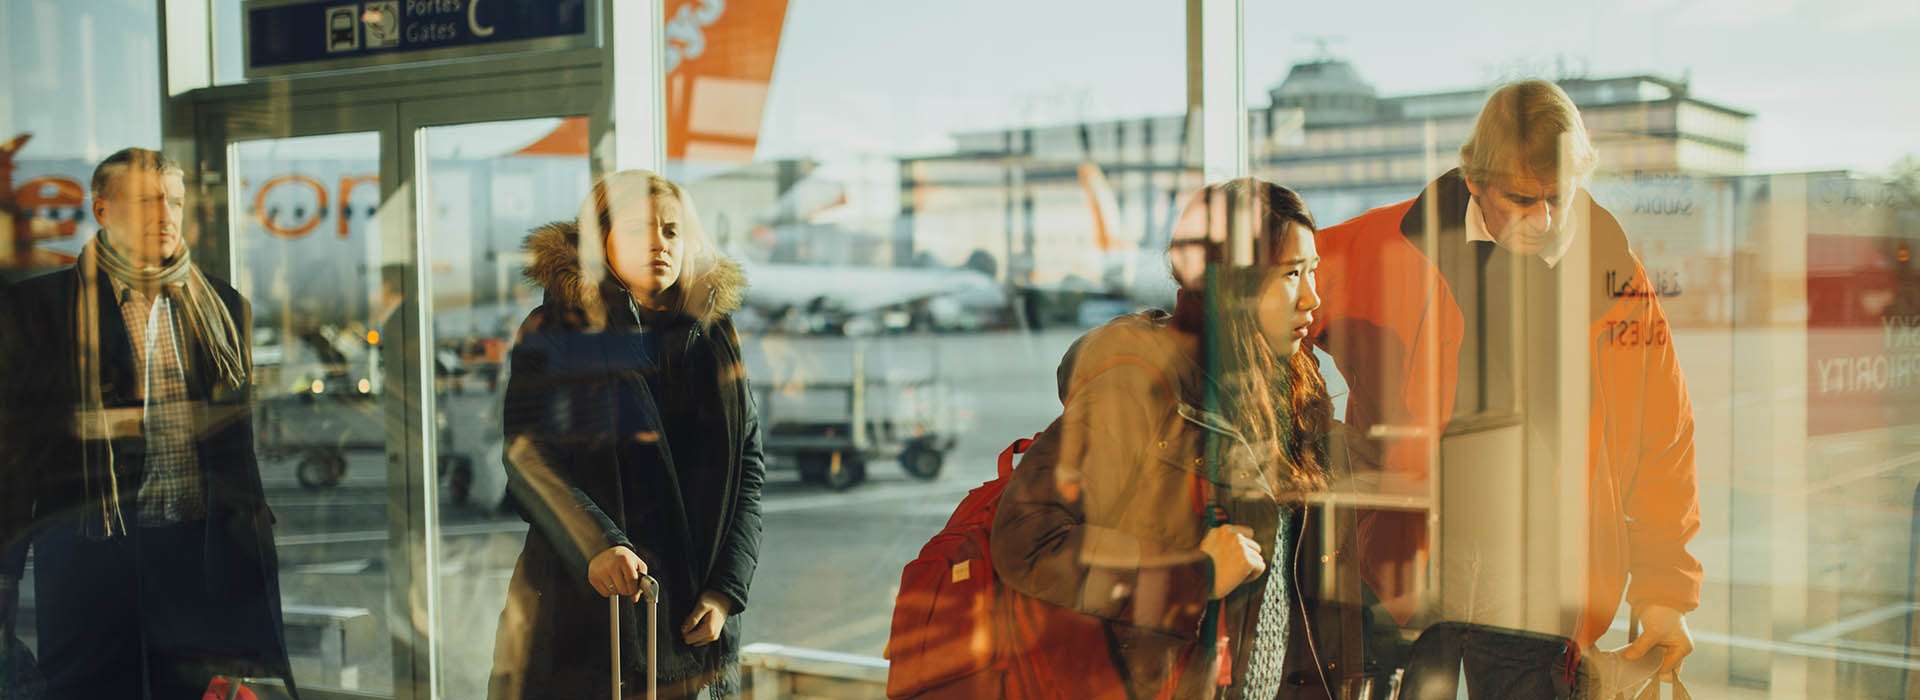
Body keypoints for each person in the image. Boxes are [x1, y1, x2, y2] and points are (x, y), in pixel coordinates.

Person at [1309, 80, 1701, 674]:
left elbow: (1663, 443)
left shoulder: (1615, 278)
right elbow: (1257, 300)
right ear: (1474, 181)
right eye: (1521, 198)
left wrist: (1664, 593)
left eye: (1558, 198)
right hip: (1402, 568)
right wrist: (1310, 427)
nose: (1543, 218)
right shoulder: (1384, 246)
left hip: (1542, 580)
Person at [992, 179, 1364, 699]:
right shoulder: (1142, 388)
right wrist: (1196, 575)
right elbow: (1026, 542)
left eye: (1313, 270)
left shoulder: (1295, 383)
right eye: (1291, 275)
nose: (1312, 296)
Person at [0, 147, 297, 697]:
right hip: (94, 557)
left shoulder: (224, 308)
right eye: (145, 201)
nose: (165, 214)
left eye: (175, 201)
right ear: (102, 210)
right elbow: (13, 454)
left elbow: (235, 453)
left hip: (201, 558)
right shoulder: (39, 308)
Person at [488, 170, 766, 700]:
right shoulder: (554, 331)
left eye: (671, 230)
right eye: (640, 230)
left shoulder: (715, 336)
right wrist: (598, 545)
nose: (659, 244)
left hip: (693, 618)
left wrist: (727, 590)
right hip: (583, 611)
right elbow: (528, 459)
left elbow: (748, 471)